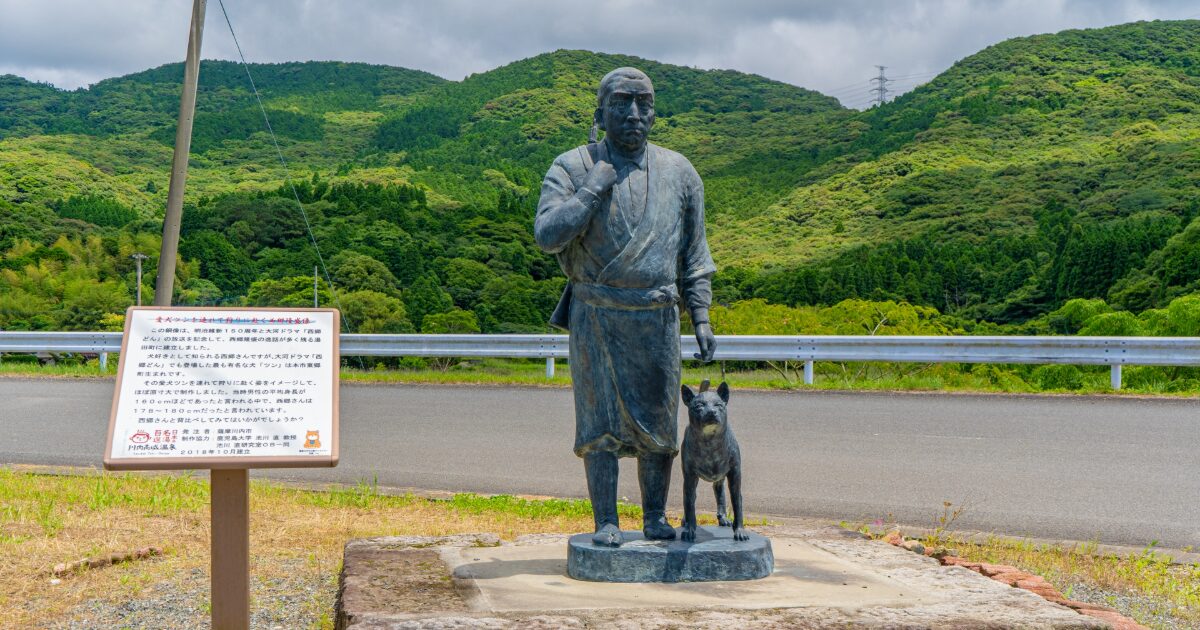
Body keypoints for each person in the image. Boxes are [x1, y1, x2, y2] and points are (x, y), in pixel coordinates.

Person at [534, 67, 716, 547]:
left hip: (657, 318)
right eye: (621, 103)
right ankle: (606, 521)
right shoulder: (573, 166)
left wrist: (700, 315)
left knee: (659, 426)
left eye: (644, 103)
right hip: (595, 314)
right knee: (600, 428)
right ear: (600, 113)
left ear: (654, 113)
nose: (634, 113)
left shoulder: (679, 172)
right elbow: (547, 235)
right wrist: (592, 189)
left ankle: (655, 516)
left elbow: (694, 255)